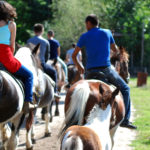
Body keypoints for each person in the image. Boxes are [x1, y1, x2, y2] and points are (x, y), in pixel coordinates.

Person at [72, 14, 137, 129]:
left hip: (89, 72)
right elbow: (116, 51)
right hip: (106, 70)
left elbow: (74, 55)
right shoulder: (107, 32)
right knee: (126, 89)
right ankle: (125, 120)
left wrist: (79, 66)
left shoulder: (84, 36)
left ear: (88, 23)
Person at [0, 1, 35, 112]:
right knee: (29, 75)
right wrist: (11, 57)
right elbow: (12, 45)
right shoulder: (11, 24)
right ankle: (27, 102)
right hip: (6, 59)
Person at [27, 24, 59, 97]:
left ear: (34, 31)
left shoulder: (29, 41)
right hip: (41, 64)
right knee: (54, 72)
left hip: (30, 64)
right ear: (42, 31)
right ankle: (55, 91)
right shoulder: (45, 42)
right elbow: (47, 56)